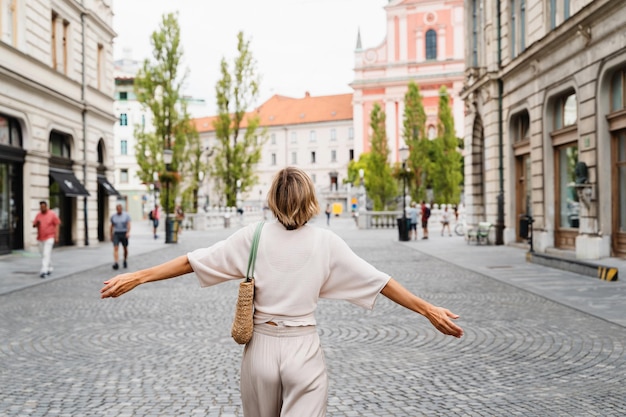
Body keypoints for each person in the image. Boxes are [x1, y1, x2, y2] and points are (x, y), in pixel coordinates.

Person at [100, 166, 463, 416]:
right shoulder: (327, 242)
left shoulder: (251, 237)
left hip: (260, 349)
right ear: (310, 199)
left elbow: (190, 261)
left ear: (273, 198)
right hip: (303, 350)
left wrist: (138, 277)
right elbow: (381, 281)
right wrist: (428, 309)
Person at [32, 200, 60, 278]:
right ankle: (50, 267)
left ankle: (44, 270)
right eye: (41, 207)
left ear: (46, 206)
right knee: (43, 254)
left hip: (49, 237)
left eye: (43, 207)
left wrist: (57, 236)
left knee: (46, 253)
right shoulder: (38, 215)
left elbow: (57, 224)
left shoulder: (52, 214)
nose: (42, 208)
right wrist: (37, 223)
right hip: (40, 237)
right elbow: (34, 225)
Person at [110, 204, 131, 270]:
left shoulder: (126, 215)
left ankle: (125, 260)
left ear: (121, 209)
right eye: (117, 209)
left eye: (120, 209)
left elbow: (128, 224)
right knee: (115, 248)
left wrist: (128, 232)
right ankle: (116, 262)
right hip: (116, 233)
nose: (119, 210)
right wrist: (111, 234)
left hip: (124, 233)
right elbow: (112, 226)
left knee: (125, 248)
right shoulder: (114, 216)